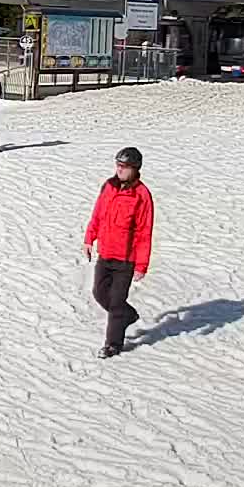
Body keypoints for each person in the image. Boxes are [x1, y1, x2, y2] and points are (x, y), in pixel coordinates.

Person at [83, 147, 154, 358]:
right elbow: (97, 214)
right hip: (105, 253)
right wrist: (89, 239)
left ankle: (113, 344)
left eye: (124, 167)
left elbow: (144, 232)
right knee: (99, 293)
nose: (119, 170)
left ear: (135, 169)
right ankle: (127, 314)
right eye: (118, 165)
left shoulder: (142, 195)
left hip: (125, 259)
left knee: (115, 302)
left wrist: (142, 265)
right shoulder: (109, 187)